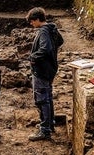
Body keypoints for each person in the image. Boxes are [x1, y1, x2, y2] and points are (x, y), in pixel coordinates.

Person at [26, 7, 64, 141]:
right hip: (50, 68)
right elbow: (60, 41)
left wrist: (33, 58)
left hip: (42, 70)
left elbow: (45, 48)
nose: (31, 24)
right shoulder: (52, 28)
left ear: (37, 19)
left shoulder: (43, 31)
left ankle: (45, 130)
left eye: (32, 21)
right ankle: (50, 123)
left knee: (41, 99)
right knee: (47, 97)